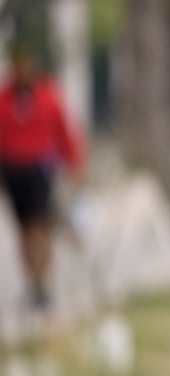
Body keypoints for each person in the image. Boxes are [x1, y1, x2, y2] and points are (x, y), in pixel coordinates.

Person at [0, 42, 85, 309]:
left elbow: (63, 131)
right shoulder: (5, 98)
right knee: (24, 229)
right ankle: (32, 282)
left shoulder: (47, 96)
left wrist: (73, 163)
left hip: (39, 170)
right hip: (13, 171)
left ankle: (42, 281)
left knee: (39, 226)